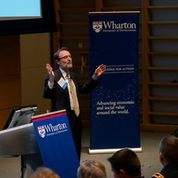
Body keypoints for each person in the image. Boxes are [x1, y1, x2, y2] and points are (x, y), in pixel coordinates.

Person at [43, 47, 106, 159]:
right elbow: (47, 94)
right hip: (61, 122)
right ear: (58, 62)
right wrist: (51, 80)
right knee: (63, 153)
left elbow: (83, 89)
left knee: (76, 152)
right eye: (65, 57)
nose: (69, 59)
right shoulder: (54, 76)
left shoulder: (74, 76)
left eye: (70, 56)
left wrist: (95, 77)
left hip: (76, 120)